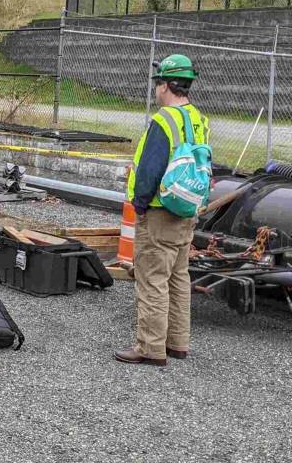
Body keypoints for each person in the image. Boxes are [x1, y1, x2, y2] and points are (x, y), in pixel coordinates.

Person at [115, 54, 209, 367]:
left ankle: (150, 348)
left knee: (152, 278)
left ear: (167, 85)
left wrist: (140, 206)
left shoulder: (163, 121)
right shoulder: (197, 118)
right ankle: (177, 343)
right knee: (178, 278)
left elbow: (150, 171)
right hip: (185, 210)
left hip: (159, 212)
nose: (156, 89)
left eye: (158, 83)